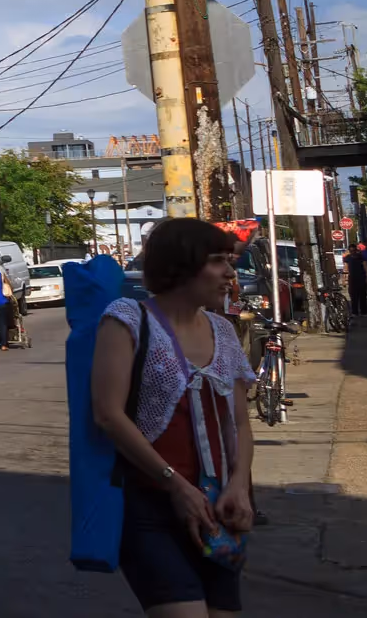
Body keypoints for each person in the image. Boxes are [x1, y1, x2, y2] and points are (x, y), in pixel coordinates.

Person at [91, 217, 255, 616]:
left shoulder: (224, 330)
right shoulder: (128, 319)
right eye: (218, 261)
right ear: (181, 265)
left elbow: (241, 423)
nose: (230, 273)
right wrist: (176, 485)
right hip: (150, 507)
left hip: (218, 510)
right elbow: (108, 415)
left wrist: (239, 485)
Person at [351, 242, 367, 317]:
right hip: (352, 280)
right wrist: (343, 279)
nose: (353, 252)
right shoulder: (348, 258)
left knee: (362, 296)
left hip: (361, 279)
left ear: (356, 250)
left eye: (354, 250)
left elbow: (366, 267)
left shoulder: (361, 258)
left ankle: (364, 312)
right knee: (354, 297)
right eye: (351, 250)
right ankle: (355, 312)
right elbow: (346, 268)